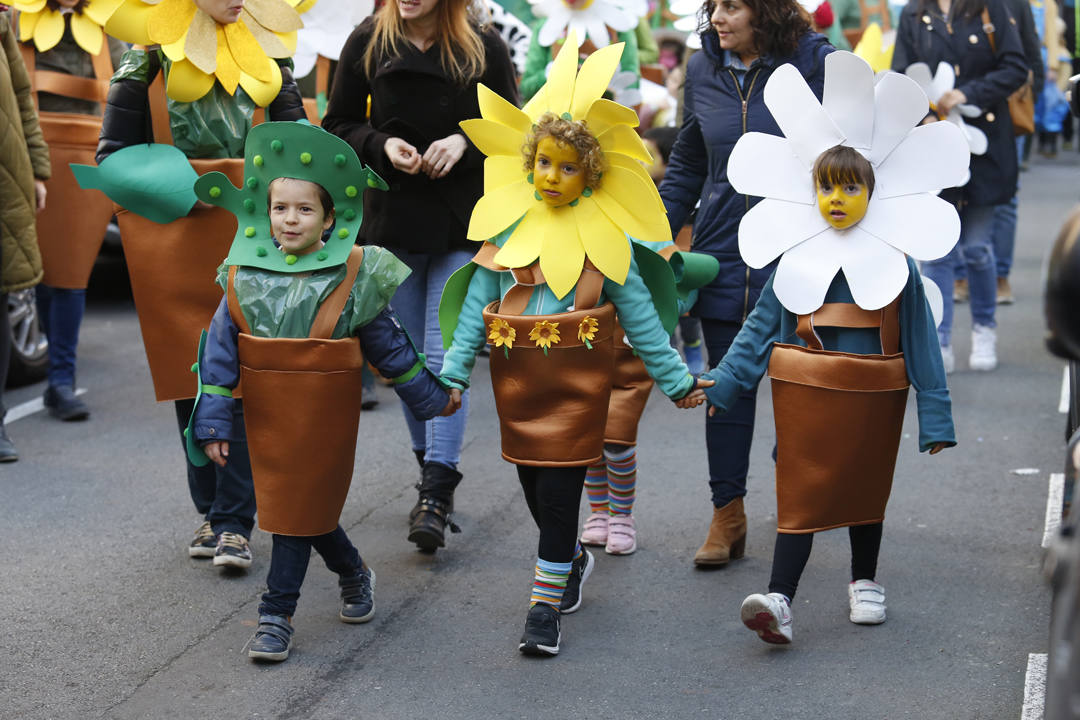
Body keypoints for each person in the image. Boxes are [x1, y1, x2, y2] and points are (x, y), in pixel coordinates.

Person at [440, 36, 712, 656]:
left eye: (569, 167)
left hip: (577, 388)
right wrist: (452, 377)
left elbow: (641, 319)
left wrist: (675, 382)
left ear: (590, 174)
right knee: (537, 491)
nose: (554, 177)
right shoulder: (506, 228)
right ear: (528, 164)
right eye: (544, 164)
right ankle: (566, 563)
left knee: (562, 494)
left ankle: (543, 609)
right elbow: (472, 314)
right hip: (519, 390)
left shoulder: (604, 238)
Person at [189, 122, 456, 663]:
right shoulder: (242, 277)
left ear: (331, 218)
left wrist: (432, 398)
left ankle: (274, 615)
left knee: (296, 507)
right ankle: (354, 572)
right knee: (301, 507)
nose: (290, 219)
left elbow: (390, 348)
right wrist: (213, 420)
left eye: (305, 209)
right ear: (266, 213)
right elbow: (218, 351)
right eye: (280, 208)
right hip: (268, 419)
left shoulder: (353, 275)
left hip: (326, 421)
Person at [704, 144, 955, 644]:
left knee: (866, 486)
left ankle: (865, 580)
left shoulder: (897, 265)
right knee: (801, 491)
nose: (836, 198)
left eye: (850, 187)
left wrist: (936, 416)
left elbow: (921, 340)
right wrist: (725, 380)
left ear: (872, 193)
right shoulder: (798, 259)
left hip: (872, 398)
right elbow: (760, 329)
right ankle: (780, 598)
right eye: (826, 186)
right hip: (808, 395)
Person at [96, 0, 308, 568]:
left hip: (253, 237)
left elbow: (302, 146)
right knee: (189, 372)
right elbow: (111, 158)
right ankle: (212, 509)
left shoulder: (268, 51)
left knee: (242, 372)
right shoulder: (145, 60)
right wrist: (175, 189)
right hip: (176, 241)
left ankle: (233, 520)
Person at [322, 0, 519, 553]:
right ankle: (429, 468)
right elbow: (337, 124)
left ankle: (436, 487)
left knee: (443, 354)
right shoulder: (369, 39)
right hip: (393, 219)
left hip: (464, 220)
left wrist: (465, 138)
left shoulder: (484, 44)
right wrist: (382, 145)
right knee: (405, 363)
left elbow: (511, 127)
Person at [658, 0, 832, 568]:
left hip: (799, 252)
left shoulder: (818, 65)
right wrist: (660, 234)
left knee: (797, 391)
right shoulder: (703, 67)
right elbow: (688, 156)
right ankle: (726, 515)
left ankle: (796, 509)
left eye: (733, 7)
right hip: (723, 251)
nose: (719, 19)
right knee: (724, 390)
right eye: (714, 7)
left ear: (767, 11)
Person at [892, 0, 1028, 372]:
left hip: (985, 144)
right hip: (932, 144)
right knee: (936, 252)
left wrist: (969, 93)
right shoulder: (912, 13)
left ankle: (985, 328)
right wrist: (921, 109)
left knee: (978, 249)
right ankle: (940, 339)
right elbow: (900, 74)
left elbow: (1017, 66)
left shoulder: (990, 8)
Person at [19, 0, 128, 421]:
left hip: (86, 159)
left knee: (71, 272)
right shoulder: (20, 24)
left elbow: (126, 94)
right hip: (27, 160)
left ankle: (61, 380)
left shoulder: (104, 30)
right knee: (32, 274)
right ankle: (57, 377)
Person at [0, 4, 49, 461]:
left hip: (5, 182)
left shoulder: (0, 23)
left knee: (4, 296)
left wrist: (36, 169)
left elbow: (21, 96)